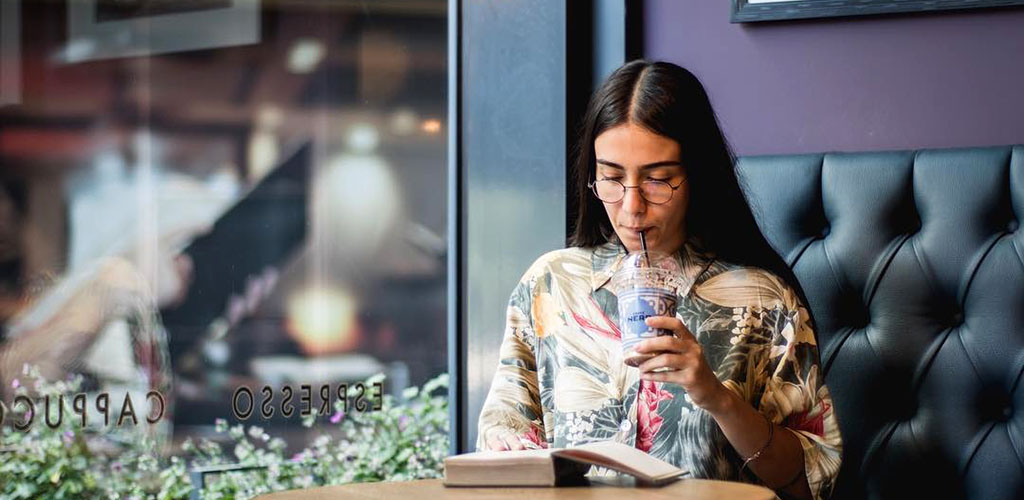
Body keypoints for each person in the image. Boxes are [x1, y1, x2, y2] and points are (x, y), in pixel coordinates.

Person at [476, 60, 842, 500]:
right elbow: (502, 427)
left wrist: (715, 397)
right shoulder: (551, 286)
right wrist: (507, 445)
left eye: (658, 180)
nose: (632, 208)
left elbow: (811, 482)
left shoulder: (762, 301)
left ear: (696, 176)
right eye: (611, 178)